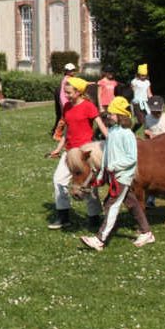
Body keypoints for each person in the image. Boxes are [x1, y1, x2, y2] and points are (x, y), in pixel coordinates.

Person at [80, 97, 156, 250]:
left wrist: (115, 166)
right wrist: (102, 172)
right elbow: (107, 153)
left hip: (122, 176)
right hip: (112, 175)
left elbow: (131, 158)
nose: (109, 116)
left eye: (113, 114)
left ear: (121, 115)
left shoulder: (127, 134)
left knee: (111, 204)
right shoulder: (112, 131)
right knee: (132, 203)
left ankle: (99, 239)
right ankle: (146, 232)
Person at [47, 76, 107, 230]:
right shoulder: (67, 107)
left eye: (69, 93)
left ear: (79, 92)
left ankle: (94, 218)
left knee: (88, 185)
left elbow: (100, 126)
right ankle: (63, 217)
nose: (66, 96)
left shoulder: (88, 106)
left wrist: (111, 140)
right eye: (65, 93)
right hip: (69, 152)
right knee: (59, 180)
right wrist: (58, 149)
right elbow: (68, 131)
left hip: (85, 153)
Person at [51, 63, 77, 137]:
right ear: (66, 71)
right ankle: (57, 134)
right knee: (64, 118)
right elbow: (62, 94)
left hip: (69, 101)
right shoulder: (66, 80)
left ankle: (68, 133)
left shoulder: (71, 79)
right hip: (65, 102)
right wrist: (64, 103)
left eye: (73, 70)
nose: (72, 72)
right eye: (70, 70)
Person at [130, 64, 153, 130]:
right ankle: (132, 130)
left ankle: (147, 134)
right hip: (137, 103)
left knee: (148, 119)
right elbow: (132, 92)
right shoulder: (134, 81)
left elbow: (149, 93)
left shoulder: (147, 82)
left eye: (145, 75)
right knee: (141, 121)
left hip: (145, 103)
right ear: (139, 74)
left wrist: (153, 99)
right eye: (142, 75)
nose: (143, 77)